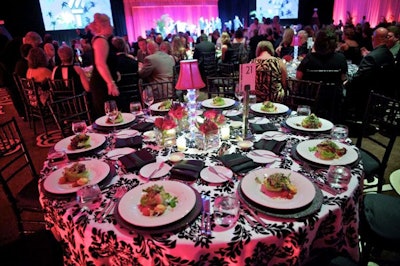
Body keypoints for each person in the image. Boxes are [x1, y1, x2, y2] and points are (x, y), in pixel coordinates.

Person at [296, 27, 348, 123]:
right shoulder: (340, 58)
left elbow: (298, 78)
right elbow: (343, 78)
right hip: (334, 103)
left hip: (311, 102)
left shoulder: (309, 58)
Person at [345, 27, 396, 120]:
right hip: (382, 93)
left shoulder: (371, 57)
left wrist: (346, 81)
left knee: (343, 90)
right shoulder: (388, 54)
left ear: (373, 38)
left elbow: (358, 79)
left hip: (366, 96)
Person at [87, 13, 120, 119]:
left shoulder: (101, 40)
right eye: (110, 24)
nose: (112, 27)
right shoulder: (100, 40)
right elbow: (100, 64)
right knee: (109, 115)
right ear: (103, 26)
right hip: (102, 85)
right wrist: (110, 83)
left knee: (111, 115)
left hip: (102, 83)